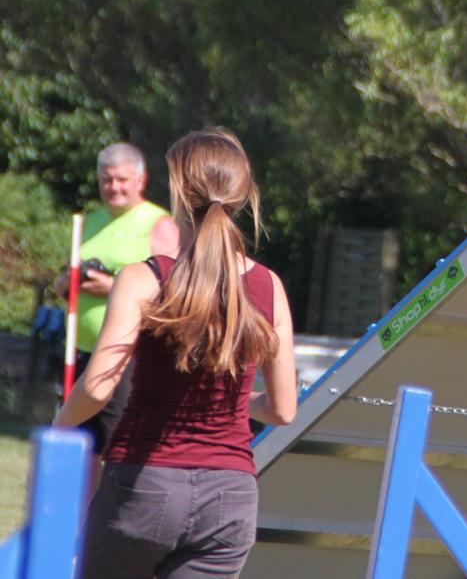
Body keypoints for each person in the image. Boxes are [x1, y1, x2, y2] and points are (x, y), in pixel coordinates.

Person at [54, 127, 297, 579]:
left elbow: (99, 385)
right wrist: (231, 405)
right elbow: (283, 409)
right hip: (230, 500)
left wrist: (59, 425)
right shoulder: (269, 286)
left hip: (143, 486)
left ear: (177, 192)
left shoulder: (143, 279)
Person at [53, 142, 181, 464]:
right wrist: (70, 281)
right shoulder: (89, 222)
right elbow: (61, 281)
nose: (114, 187)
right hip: (81, 351)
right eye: (107, 180)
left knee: (116, 443)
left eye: (121, 180)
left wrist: (112, 287)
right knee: (82, 445)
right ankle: (81, 514)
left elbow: (174, 292)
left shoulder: (158, 223)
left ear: (140, 180)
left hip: (129, 355)